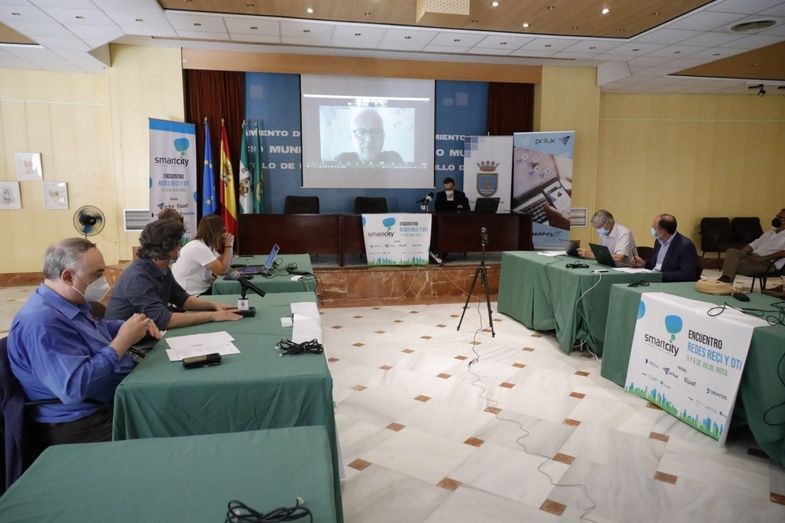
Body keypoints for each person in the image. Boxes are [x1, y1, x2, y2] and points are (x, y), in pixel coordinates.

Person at [7, 238, 161, 445]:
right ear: (68, 276)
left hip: (107, 401)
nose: (103, 281)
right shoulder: (41, 322)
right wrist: (121, 343)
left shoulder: (70, 302)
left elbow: (98, 328)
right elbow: (74, 387)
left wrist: (131, 326)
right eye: (97, 274)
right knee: (167, 431)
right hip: (83, 422)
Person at [106, 219, 242, 329]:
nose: (180, 247)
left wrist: (213, 306)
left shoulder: (163, 269)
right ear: (167, 248)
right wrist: (212, 316)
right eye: (178, 243)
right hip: (130, 346)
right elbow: (164, 320)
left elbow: (183, 300)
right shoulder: (138, 277)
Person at [717, 208, 785, 284]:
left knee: (732, 265)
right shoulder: (769, 233)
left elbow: (783, 253)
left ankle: (726, 281)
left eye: (780, 217)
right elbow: (754, 244)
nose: (776, 219)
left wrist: (763, 258)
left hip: (768, 263)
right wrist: (742, 253)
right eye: (776, 216)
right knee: (731, 251)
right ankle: (726, 280)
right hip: (752, 256)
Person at [172, 215, 234, 295]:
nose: (224, 232)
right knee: (231, 295)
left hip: (194, 291)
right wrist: (229, 245)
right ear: (216, 231)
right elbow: (222, 270)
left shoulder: (204, 245)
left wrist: (228, 247)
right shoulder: (198, 247)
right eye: (223, 229)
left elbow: (220, 261)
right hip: (190, 295)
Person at [631, 214, 700, 282]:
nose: (652, 230)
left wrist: (659, 276)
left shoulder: (685, 246)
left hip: (666, 283)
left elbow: (687, 275)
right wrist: (644, 264)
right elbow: (656, 264)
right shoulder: (658, 241)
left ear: (663, 232)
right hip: (652, 279)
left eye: (654, 228)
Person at [334, 108, 403, 164]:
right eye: (361, 132)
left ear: (383, 137)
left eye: (375, 132)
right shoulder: (341, 161)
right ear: (352, 138)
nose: (369, 139)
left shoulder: (394, 159)